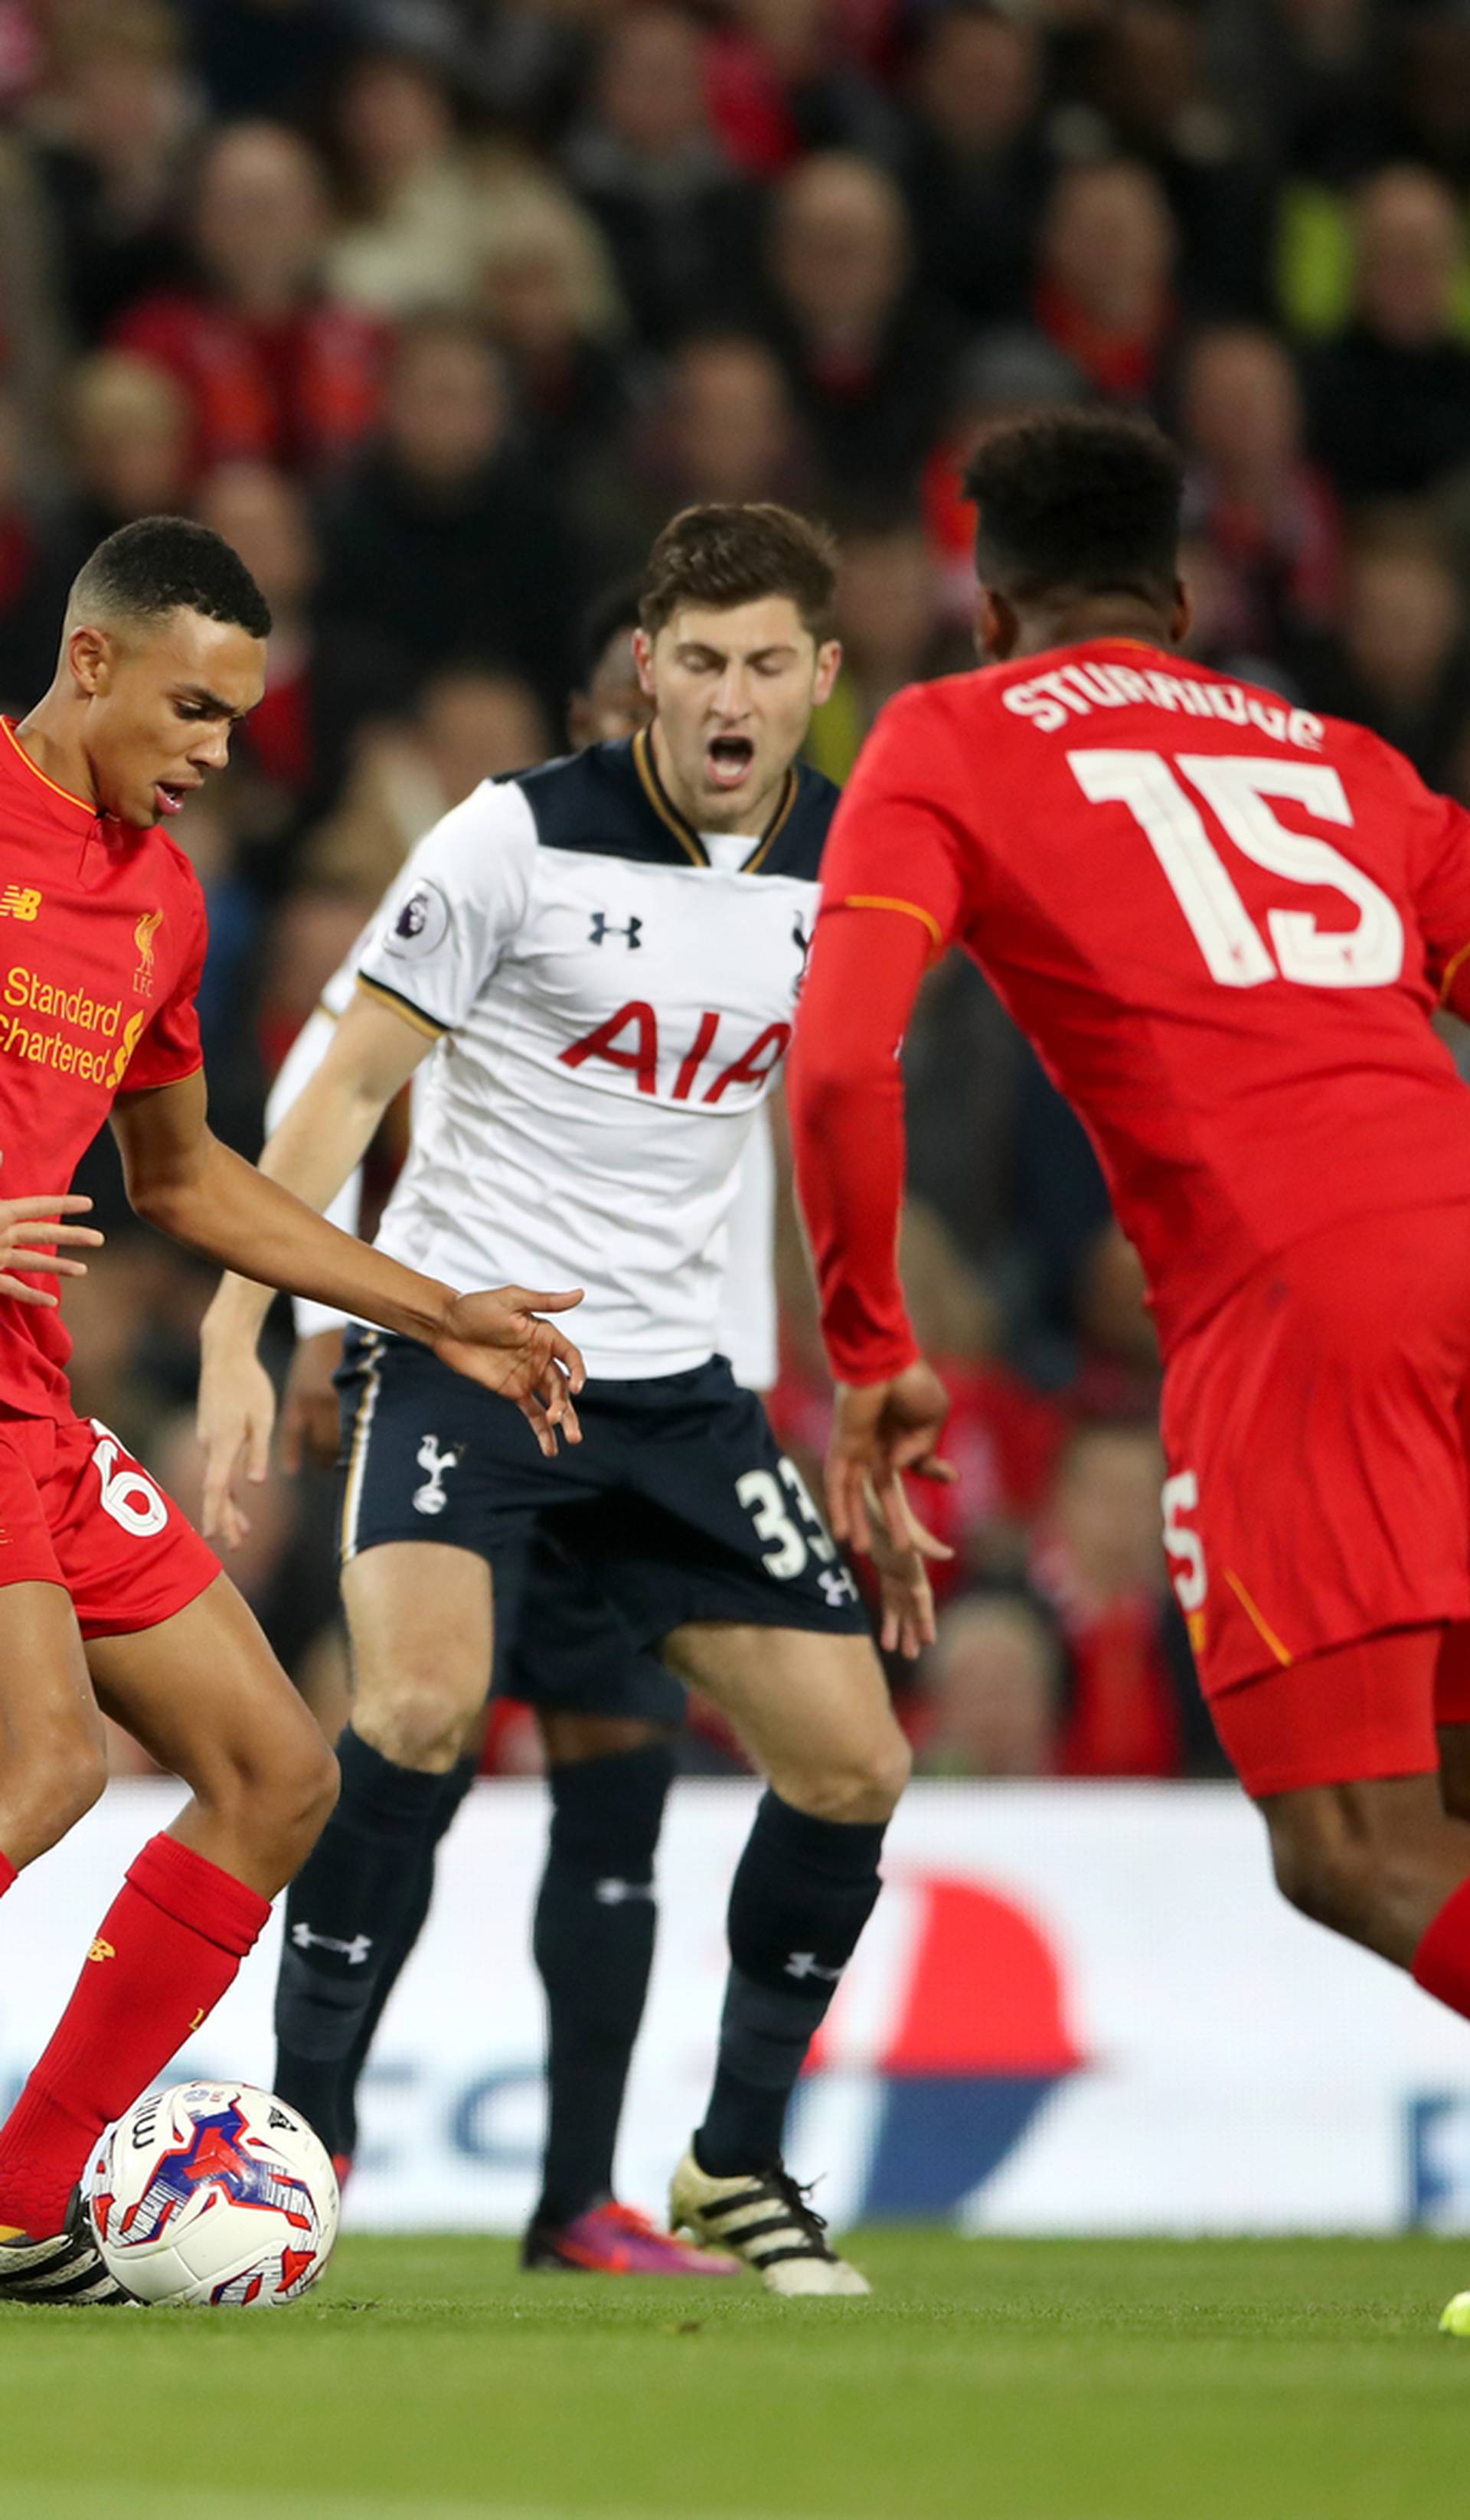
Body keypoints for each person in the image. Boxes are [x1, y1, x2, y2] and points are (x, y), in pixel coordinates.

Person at [197, 502, 928, 2297]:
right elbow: (344, 1078)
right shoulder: (514, 836)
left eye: (770, 662)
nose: (733, 696)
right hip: (468, 1351)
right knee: (425, 1708)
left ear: (824, 678)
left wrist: (860, 1370)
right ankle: (304, 2147)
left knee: (852, 1762)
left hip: (681, 1399)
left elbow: (849, 1121)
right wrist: (252, 1320)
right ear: (644, 673)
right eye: (701, 662)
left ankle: (722, 2165)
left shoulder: (859, 863)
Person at [788, 411, 1470, 2202]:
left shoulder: (951, 732)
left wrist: (872, 1348)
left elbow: (843, 1067)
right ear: (1180, 597)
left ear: (988, 604)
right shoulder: (1348, 758)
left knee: (1350, 1845)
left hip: (1300, 1300)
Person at [0, 514, 586, 2303]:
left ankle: (25, 2207)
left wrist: (435, 1304)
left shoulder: (160, 903)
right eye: (189, 706)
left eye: (239, 722)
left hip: (29, 1396)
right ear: (88, 660)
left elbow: (181, 1176)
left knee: (274, 1770)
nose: (214, 752)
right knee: (47, 1763)